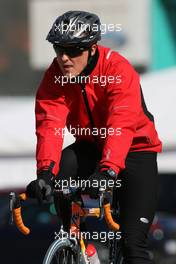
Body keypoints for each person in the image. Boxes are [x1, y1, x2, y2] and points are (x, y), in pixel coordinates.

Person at [26, 10, 162, 264]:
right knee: (65, 165)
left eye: (73, 50)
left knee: (133, 244)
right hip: (91, 146)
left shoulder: (118, 69)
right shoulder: (55, 76)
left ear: (92, 48)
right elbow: (49, 125)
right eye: (58, 49)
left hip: (135, 150)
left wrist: (108, 171)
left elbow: (120, 125)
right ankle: (77, 243)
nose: (64, 58)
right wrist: (45, 173)